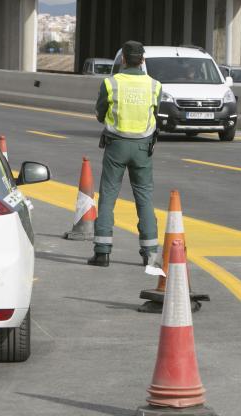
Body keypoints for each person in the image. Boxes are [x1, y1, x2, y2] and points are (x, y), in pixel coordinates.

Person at [88, 40, 162, 267]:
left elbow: (101, 113)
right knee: (144, 198)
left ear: (122, 59)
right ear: (143, 60)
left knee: (108, 196)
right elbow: (156, 112)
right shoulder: (154, 85)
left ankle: (102, 252)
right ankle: (150, 254)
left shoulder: (111, 84)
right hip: (143, 148)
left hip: (116, 146)